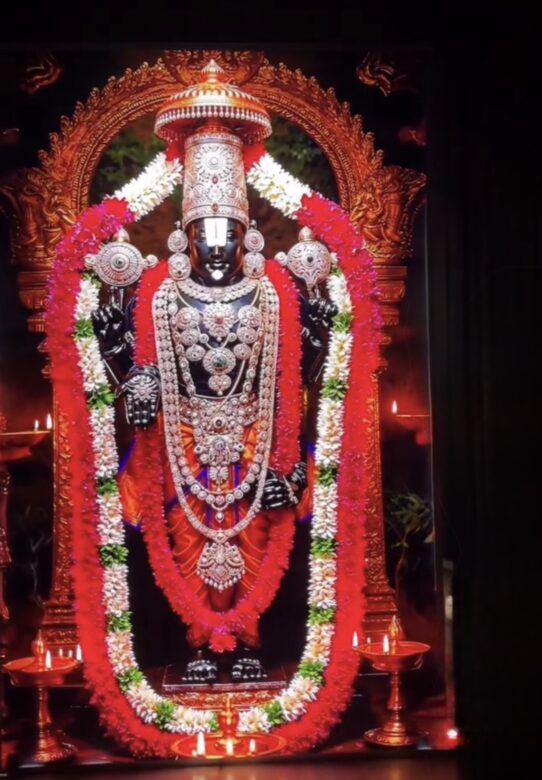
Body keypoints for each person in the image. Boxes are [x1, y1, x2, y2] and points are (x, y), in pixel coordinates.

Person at [92, 62, 336, 681]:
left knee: (256, 531)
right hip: (184, 440)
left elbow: (298, 375)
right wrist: (132, 377)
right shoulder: (156, 295)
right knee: (183, 532)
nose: (221, 247)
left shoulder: (274, 295)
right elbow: (136, 366)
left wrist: (317, 330)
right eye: (209, 234)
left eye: (231, 234)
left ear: (249, 236)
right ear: (187, 238)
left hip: (257, 437)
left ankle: (248, 641)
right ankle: (200, 641)